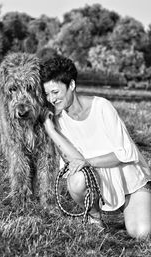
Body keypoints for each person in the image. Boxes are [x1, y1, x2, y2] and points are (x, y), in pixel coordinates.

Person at [40, 55, 151, 239]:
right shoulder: (59, 121)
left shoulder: (101, 107)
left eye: (55, 92)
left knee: (141, 232)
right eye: (47, 94)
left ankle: (139, 205)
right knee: (76, 179)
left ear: (72, 85)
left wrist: (87, 162)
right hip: (101, 183)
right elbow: (74, 162)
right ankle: (95, 217)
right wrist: (51, 130)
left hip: (131, 182)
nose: (51, 99)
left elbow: (124, 154)